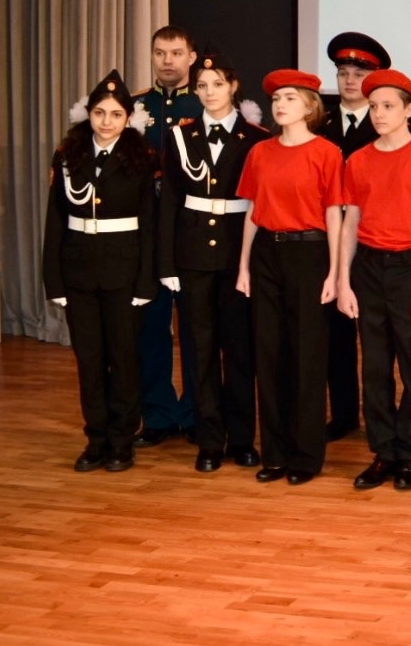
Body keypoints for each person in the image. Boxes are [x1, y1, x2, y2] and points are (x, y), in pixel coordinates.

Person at [157, 45, 270, 472]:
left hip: (238, 254)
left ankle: (241, 438)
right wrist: (166, 263)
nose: (209, 92)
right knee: (199, 349)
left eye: (217, 84)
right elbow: (170, 201)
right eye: (202, 86)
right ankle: (209, 439)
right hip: (192, 256)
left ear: (233, 86)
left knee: (240, 349)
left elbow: (260, 203)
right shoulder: (180, 136)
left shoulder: (257, 138)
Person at [337, 69, 411, 492]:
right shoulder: (358, 160)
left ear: (409, 110)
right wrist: (344, 281)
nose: (379, 114)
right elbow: (350, 224)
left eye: (388, 106)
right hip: (368, 267)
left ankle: (410, 451)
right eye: (374, 107)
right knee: (375, 366)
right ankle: (384, 451)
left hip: (410, 266)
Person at [44, 70, 158, 473]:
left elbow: (149, 224)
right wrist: (53, 279)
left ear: (128, 117)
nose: (106, 121)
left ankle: (122, 440)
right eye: (99, 113)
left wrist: (146, 281)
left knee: (123, 358)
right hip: (78, 271)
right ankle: (96, 438)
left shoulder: (142, 158)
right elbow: (56, 220)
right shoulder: (68, 155)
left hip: (124, 272)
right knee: (89, 360)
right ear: (87, 114)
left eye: (115, 114)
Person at [236, 70, 346, 485]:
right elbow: (252, 210)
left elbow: (334, 215)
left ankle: (306, 455)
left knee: (307, 355)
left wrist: (335, 271)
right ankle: (275, 452)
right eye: (276, 98)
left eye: (290, 98)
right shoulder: (260, 152)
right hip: (267, 252)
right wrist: (244, 266)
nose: (280, 105)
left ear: (310, 106)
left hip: (309, 253)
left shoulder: (326, 153)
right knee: (269, 353)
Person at [129, 26, 202, 449]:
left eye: (176, 52)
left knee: (195, 329)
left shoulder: (205, 103)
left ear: (191, 57)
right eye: (160, 53)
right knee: (150, 330)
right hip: (146, 237)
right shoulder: (135, 106)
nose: (167, 60)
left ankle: (195, 412)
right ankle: (157, 414)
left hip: (191, 234)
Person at [318, 31, 391, 442]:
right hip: (328, 239)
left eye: (358, 74)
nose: (349, 80)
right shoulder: (319, 123)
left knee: (380, 338)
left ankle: (383, 416)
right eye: (343, 72)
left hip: (374, 238)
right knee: (335, 333)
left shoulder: (387, 124)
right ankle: (344, 413)